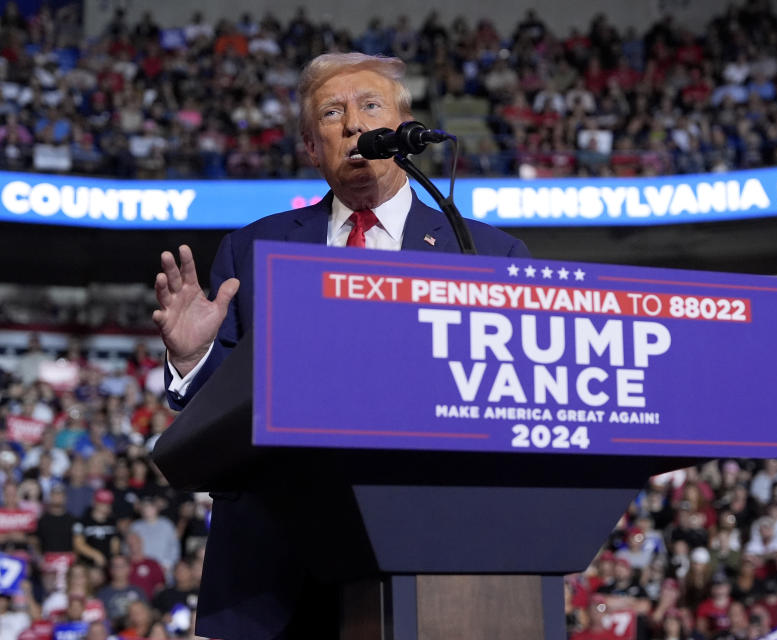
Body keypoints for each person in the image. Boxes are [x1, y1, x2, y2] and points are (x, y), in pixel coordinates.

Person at [151, 52, 530, 640]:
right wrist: (193, 358)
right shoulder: (251, 249)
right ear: (310, 146)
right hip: (269, 577)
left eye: (370, 106)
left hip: (430, 562)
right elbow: (210, 417)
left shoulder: (483, 255)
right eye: (332, 113)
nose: (354, 125)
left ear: (405, 130)